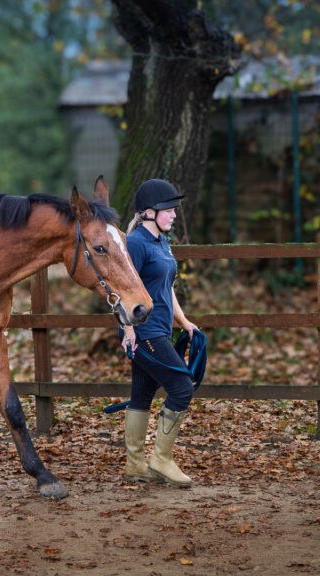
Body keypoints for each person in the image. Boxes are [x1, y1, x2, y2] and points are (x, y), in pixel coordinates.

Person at [119, 178, 199, 488]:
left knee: (141, 394)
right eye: (169, 210)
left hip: (160, 330)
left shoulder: (160, 241)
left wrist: (184, 321)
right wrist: (128, 329)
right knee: (182, 388)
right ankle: (161, 459)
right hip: (145, 332)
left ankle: (135, 465)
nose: (174, 215)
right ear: (150, 212)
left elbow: (166, 287)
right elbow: (122, 288)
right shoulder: (136, 243)